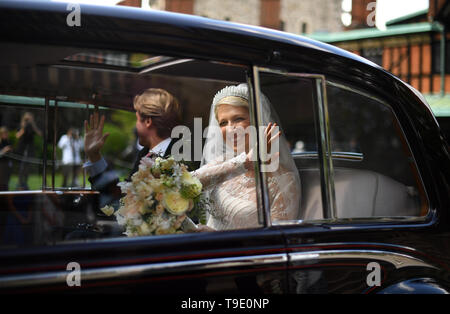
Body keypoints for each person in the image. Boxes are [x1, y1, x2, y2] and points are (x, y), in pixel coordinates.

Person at [192, 83, 301, 231]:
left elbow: (275, 242)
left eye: (238, 119)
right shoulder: (225, 161)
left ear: (258, 122)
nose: (230, 129)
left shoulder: (284, 180)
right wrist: (245, 162)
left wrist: (215, 238)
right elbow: (186, 183)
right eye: (223, 122)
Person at [83, 88, 182, 208]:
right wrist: (95, 156)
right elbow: (122, 197)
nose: (135, 125)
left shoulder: (180, 156)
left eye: (136, 119)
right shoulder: (145, 154)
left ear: (148, 122)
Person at [16, 112, 42, 190]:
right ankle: (19, 184)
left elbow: (40, 134)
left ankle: (25, 184)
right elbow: (17, 135)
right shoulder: (21, 126)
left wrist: (33, 124)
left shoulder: (32, 127)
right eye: (27, 119)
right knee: (21, 168)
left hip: (29, 150)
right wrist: (24, 127)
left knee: (27, 168)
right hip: (22, 149)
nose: (28, 120)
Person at [0, 127, 13, 191]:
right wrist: (4, 150)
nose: (5, 134)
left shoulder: (8, 142)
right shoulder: (0, 143)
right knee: (1, 181)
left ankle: (6, 193)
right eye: (4, 133)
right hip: (1, 164)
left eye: (6, 133)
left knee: (6, 181)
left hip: (7, 164)